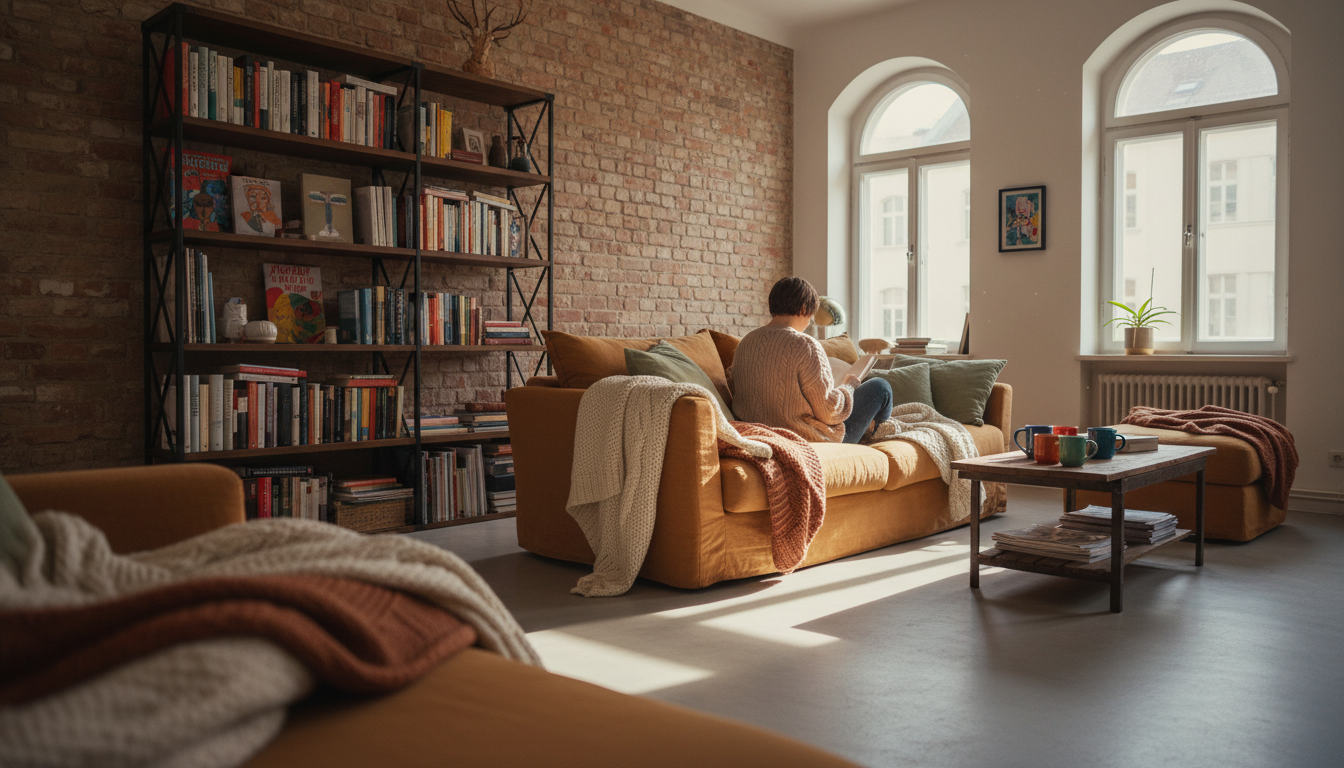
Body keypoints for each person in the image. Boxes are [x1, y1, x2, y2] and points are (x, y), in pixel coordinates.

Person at [728, 277, 893, 444]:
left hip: (757, 433)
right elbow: (829, 412)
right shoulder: (805, 344)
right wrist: (849, 385)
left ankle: (872, 430)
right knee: (880, 387)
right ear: (804, 308)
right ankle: (878, 432)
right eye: (812, 315)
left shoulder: (745, 342)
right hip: (808, 438)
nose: (810, 321)